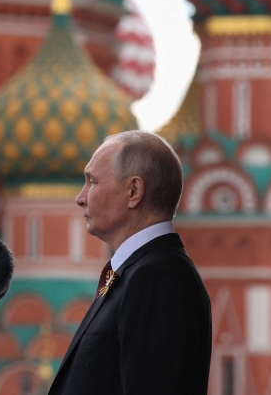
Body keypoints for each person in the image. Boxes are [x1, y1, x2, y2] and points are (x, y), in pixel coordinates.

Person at [49, 130, 212, 395]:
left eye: (92, 182)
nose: (81, 197)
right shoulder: (137, 273)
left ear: (134, 191)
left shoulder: (158, 278)